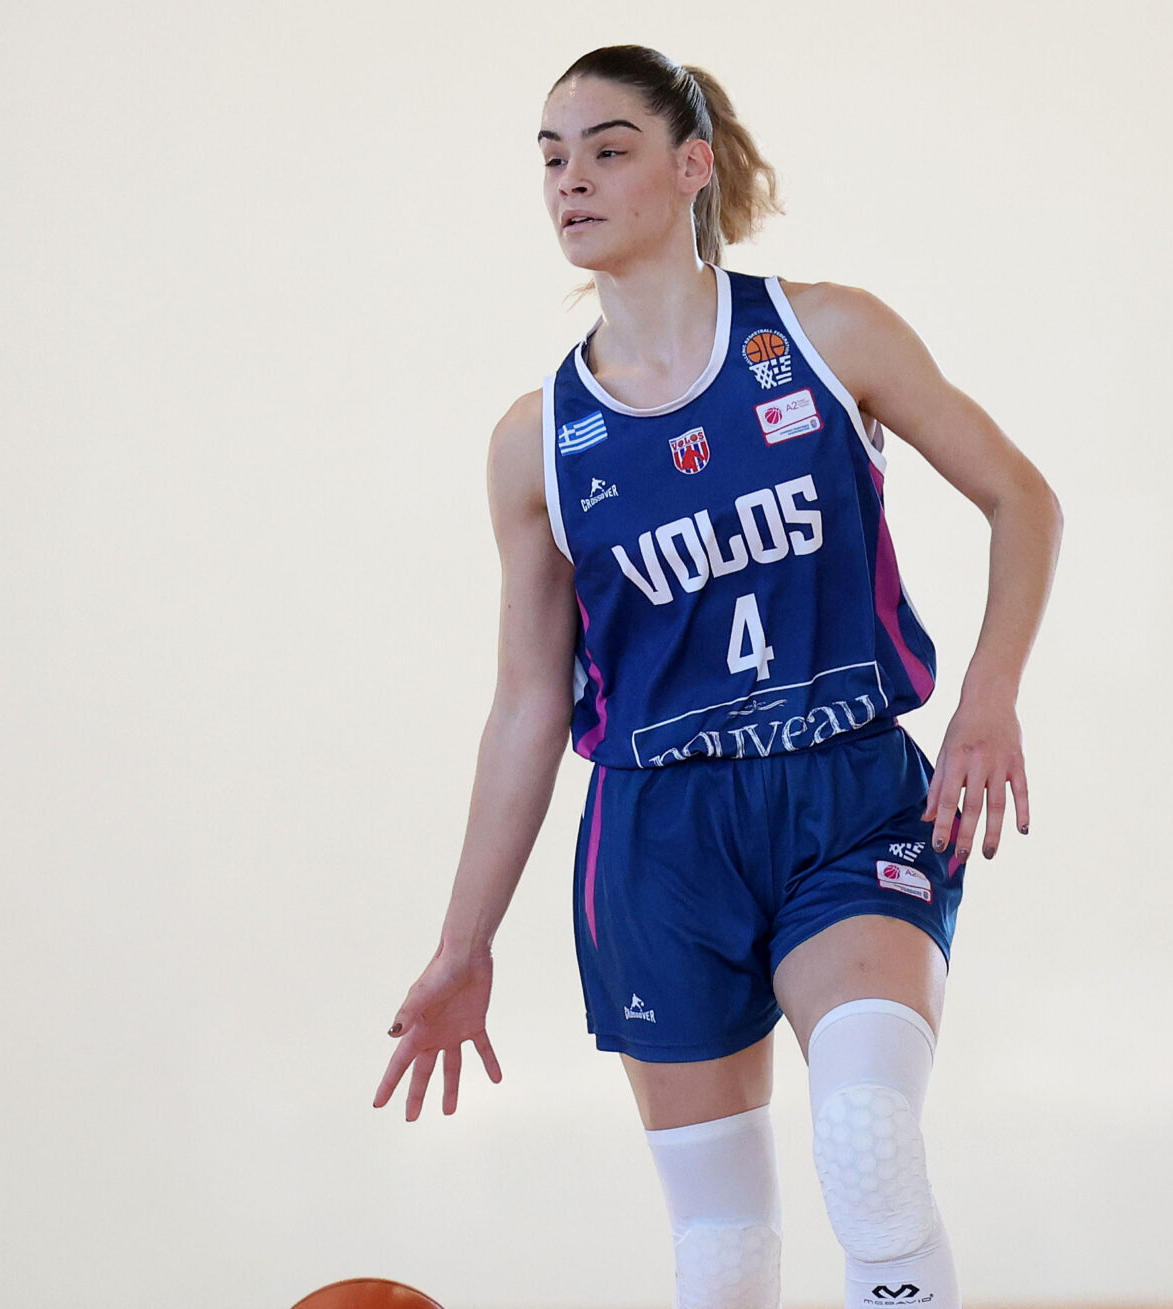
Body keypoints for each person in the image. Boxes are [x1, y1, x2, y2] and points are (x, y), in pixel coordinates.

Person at [372, 45, 1061, 1309]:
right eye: (551, 158)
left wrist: (987, 695)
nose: (571, 181)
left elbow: (1023, 498)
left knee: (865, 1139)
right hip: (659, 836)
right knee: (724, 1249)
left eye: (608, 149)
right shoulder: (537, 441)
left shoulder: (825, 333)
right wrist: (462, 945)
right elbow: (527, 704)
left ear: (692, 166)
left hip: (844, 792)